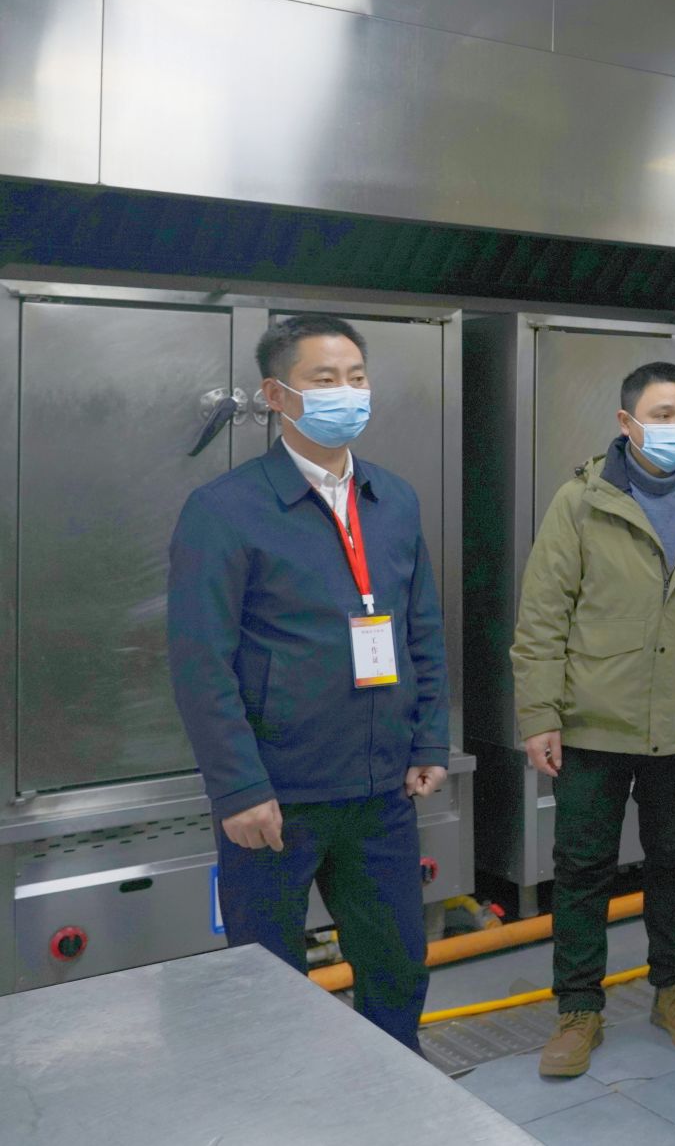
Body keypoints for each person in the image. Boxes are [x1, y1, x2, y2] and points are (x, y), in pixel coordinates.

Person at [168, 314, 447, 1051]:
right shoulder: (225, 510)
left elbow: (421, 628)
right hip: (276, 798)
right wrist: (237, 787)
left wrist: (429, 740)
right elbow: (200, 660)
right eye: (324, 379)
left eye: (356, 377)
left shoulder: (394, 499)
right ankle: (282, 1103)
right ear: (276, 395)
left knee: (397, 966)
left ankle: (396, 1088)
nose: (346, 393)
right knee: (269, 984)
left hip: (382, 790)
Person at [513, 362, 675, 1079]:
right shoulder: (581, 501)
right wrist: (539, 712)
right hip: (592, 720)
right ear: (626, 422)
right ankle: (579, 1008)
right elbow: (543, 615)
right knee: (582, 868)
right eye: (663, 415)